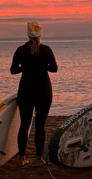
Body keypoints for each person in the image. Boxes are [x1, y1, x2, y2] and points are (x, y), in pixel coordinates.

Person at [10, 21, 58, 166]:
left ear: (28, 34)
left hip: (26, 91)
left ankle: (21, 158)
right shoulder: (46, 49)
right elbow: (54, 69)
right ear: (40, 34)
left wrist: (25, 67)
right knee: (40, 125)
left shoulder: (20, 50)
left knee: (24, 125)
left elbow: (13, 70)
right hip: (43, 90)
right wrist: (43, 65)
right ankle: (39, 159)